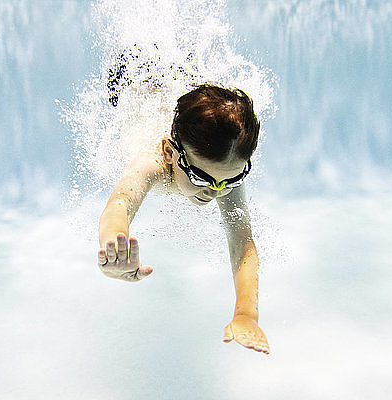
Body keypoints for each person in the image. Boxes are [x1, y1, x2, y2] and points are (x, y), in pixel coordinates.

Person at [97, 84, 270, 354]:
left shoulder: (223, 168)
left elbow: (243, 245)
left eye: (232, 180)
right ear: (169, 152)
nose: (215, 192)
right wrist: (114, 247)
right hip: (132, 81)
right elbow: (119, 204)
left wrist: (246, 315)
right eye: (201, 178)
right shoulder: (153, 161)